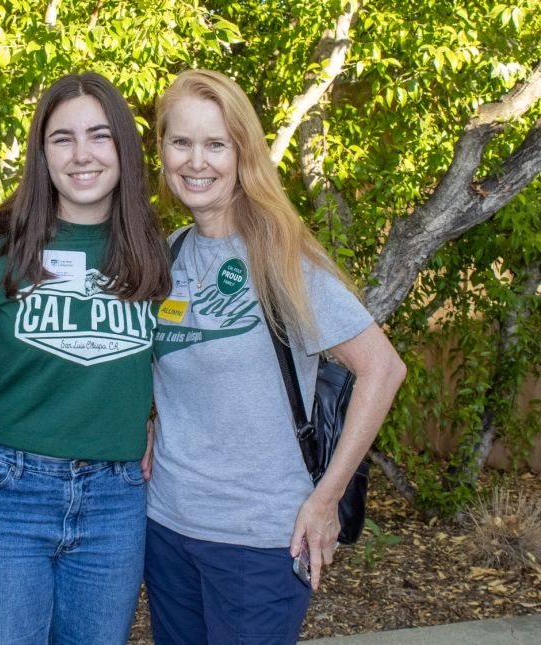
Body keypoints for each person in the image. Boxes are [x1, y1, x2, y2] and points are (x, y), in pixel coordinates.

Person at [143, 69, 407, 644]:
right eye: (181, 142)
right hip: (166, 528)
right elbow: (166, 374)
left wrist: (326, 496)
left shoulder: (280, 257)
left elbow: (382, 369)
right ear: (161, 149)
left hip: (260, 540)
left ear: (243, 154)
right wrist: (147, 420)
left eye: (216, 145)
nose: (196, 161)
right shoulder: (166, 256)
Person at [0, 72, 171, 644]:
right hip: (6, 489)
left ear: (124, 147)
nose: (82, 155)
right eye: (62, 138)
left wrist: (139, 409)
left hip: (116, 498)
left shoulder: (155, 251)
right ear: (41, 152)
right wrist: (23, 374)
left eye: (99, 136)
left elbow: (165, 359)